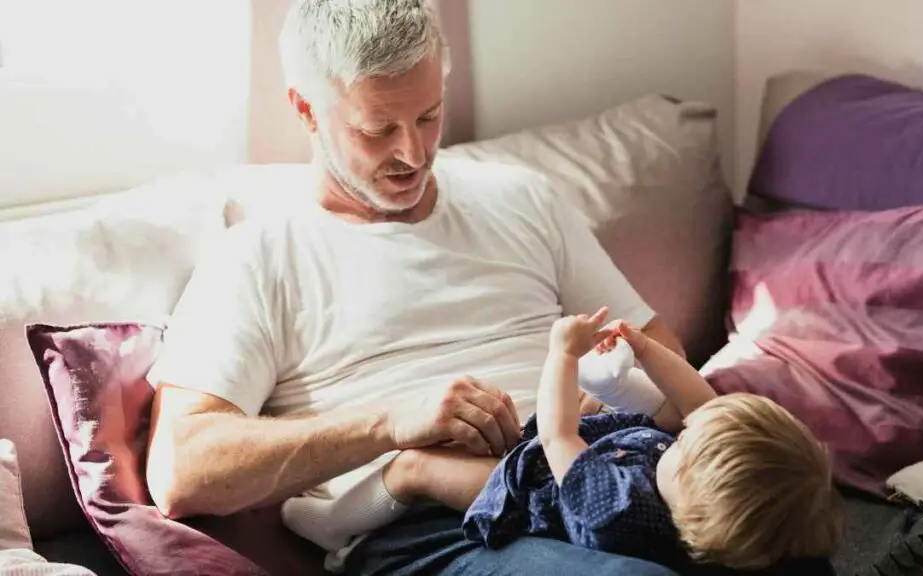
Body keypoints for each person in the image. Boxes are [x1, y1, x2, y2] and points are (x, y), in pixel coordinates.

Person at [143, 1, 692, 575]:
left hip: (604, 468)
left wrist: (609, 395)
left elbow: (663, 355)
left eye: (428, 116)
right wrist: (391, 424)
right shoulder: (256, 256)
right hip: (439, 530)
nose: (412, 153)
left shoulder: (525, 199)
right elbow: (183, 470)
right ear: (306, 110)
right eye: (377, 130)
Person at [374, 309, 845, 574]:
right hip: (610, 452)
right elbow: (700, 405)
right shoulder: (719, 511)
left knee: (437, 471)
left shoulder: (615, 508)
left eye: (682, 445)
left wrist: (561, 352)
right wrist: (644, 348)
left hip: (534, 490)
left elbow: (557, 437)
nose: (681, 433)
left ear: (687, 489)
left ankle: (347, 533)